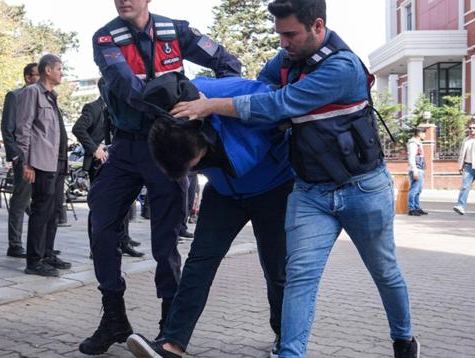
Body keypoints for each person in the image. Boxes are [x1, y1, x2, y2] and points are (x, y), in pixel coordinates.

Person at [168, 1, 419, 357]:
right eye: (279, 34)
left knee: (384, 271)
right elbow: (262, 89)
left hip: (362, 188)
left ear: (317, 26)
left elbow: (279, 103)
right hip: (311, 192)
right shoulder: (285, 60)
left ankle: (404, 338)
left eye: (290, 34)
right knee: (298, 278)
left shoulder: (343, 67)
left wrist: (210, 105)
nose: (283, 43)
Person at [79, 0, 241, 355]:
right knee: (102, 224)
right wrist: (176, 103)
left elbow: (227, 61)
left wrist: (209, 101)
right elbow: (126, 86)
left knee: (165, 240)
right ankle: (114, 318)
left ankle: (170, 328)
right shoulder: (106, 38)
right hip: (125, 146)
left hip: (166, 148)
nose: (124, 0)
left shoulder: (176, 31)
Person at [126, 73, 293, 358]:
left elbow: (280, 106)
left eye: (198, 163)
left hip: (272, 187)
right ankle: (171, 344)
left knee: (276, 267)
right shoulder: (168, 122)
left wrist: (217, 106)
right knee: (199, 263)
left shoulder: (226, 92)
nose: (198, 168)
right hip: (224, 193)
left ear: (201, 136)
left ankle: (285, 336)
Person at [72, 78, 144, 258]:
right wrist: (94, 148)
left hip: (119, 161)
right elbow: (78, 128)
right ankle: (95, 246)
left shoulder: (119, 107)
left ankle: (123, 241)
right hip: (99, 163)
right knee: (99, 205)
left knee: (124, 203)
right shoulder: (94, 107)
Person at [16, 54, 72, 277]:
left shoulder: (52, 96)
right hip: (40, 161)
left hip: (56, 162)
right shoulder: (32, 92)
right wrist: (26, 162)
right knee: (40, 211)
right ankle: (34, 260)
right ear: (48, 70)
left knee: (53, 210)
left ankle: (47, 253)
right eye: (59, 68)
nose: (61, 73)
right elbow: (24, 128)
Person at [1, 62, 39, 258]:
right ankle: (14, 244)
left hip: (42, 159)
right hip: (23, 159)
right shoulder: (15, 96)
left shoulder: (45, 97)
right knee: (20, 200)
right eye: (36, 75)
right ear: (27, 77)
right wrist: (16, 156)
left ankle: (40, 243)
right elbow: (7, 129)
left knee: (39, 203)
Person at [453, 121, 475, 215]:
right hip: (468, 167)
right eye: (470, 128)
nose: (472, 130)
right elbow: (462, 153)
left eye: (474, 128)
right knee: (465, 187)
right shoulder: (466, 140)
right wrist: (460, 165)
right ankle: (460, 206)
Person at [406, 127, 427, 216]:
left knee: (418, 190)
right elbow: (411, 158)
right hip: (416, 169)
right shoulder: (413, 144)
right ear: (419, 133)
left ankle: (416, 207)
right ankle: (411, 209)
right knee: (414, 190)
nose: (425, 135)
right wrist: (415, 171)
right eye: (424, 133)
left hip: (420, 169)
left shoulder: (418, 143)